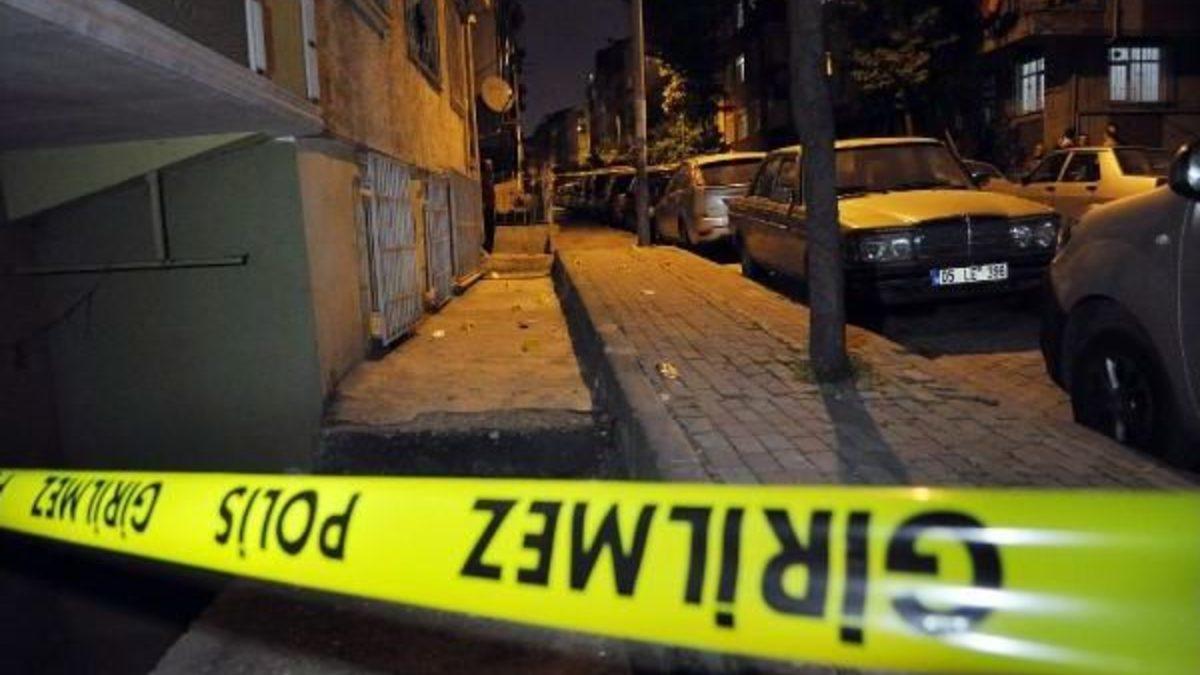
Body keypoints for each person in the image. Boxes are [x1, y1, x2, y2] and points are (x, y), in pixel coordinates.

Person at [481, 159, 496, 253]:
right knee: (489, 226)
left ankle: (489, 246)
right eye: (489, 166)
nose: (490, 167)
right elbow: (486, 193)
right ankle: (488, 246)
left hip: (490, 206)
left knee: (490, 226)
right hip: (487, 206)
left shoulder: (489, 178)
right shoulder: (485, 179)